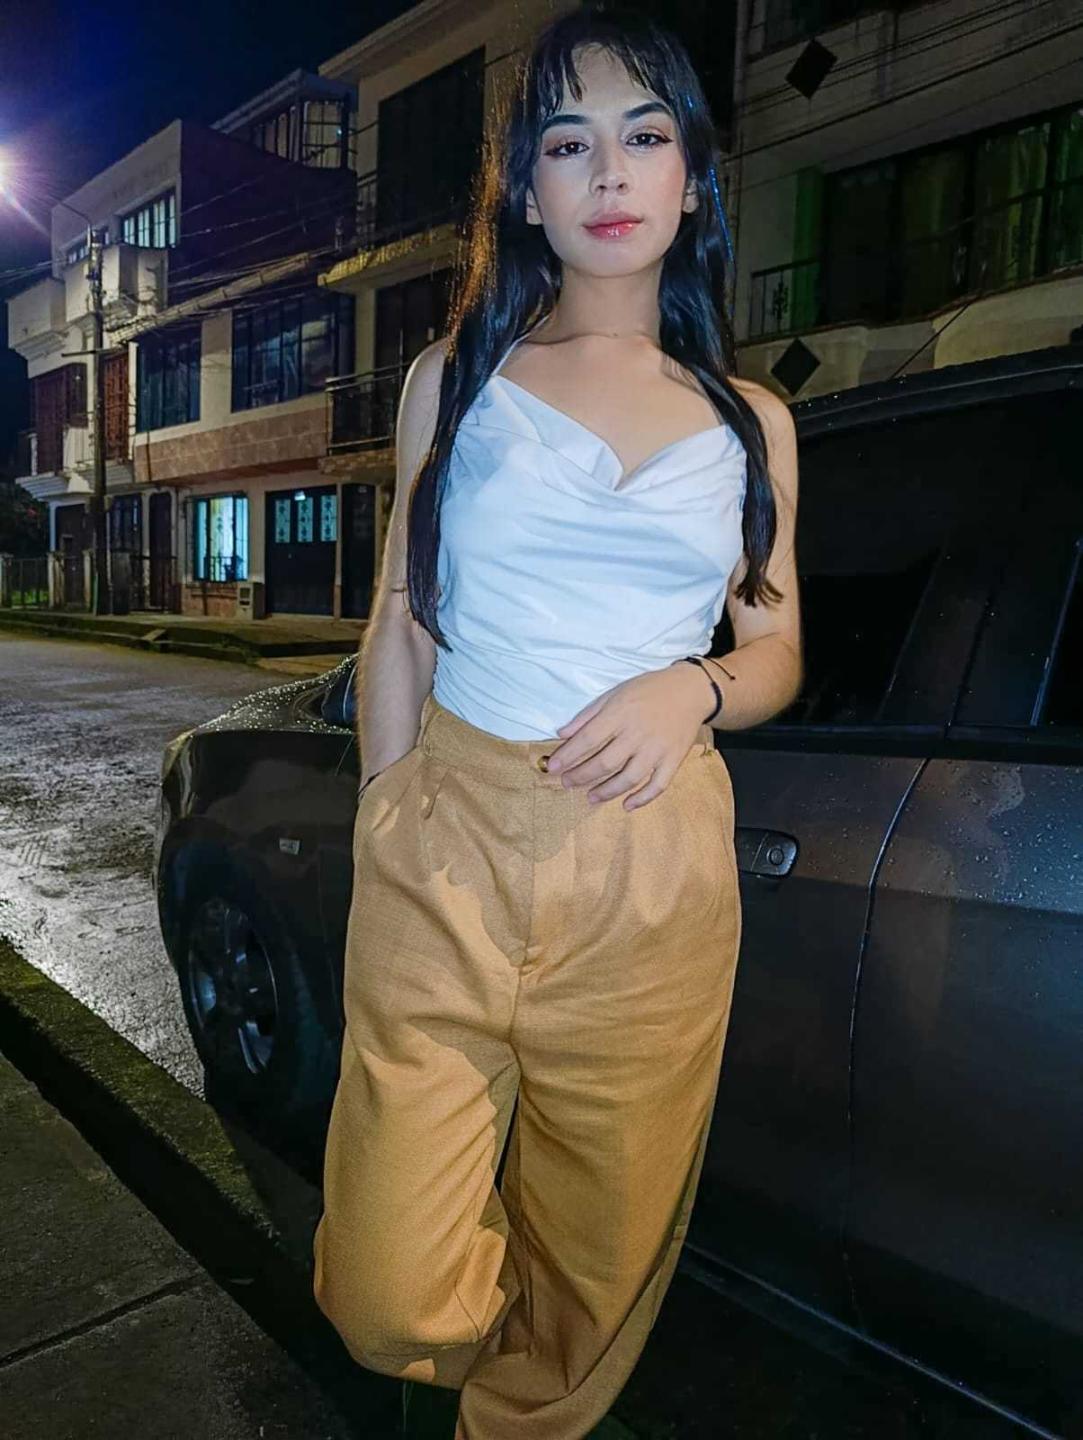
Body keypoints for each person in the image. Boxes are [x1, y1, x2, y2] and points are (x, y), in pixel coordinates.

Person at [312, 5, 802, 1437]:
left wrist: (692, 685)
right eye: (569, 143)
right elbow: (401, 616)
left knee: (596, 1271)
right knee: (388, 1290)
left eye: (644, 136)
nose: (609, 173)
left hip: (653, 865)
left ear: (692, 178)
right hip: (451, 835)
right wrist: (388, 806)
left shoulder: (750, 421)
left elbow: (776, 651)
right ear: (527, 189)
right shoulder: (455, 381)